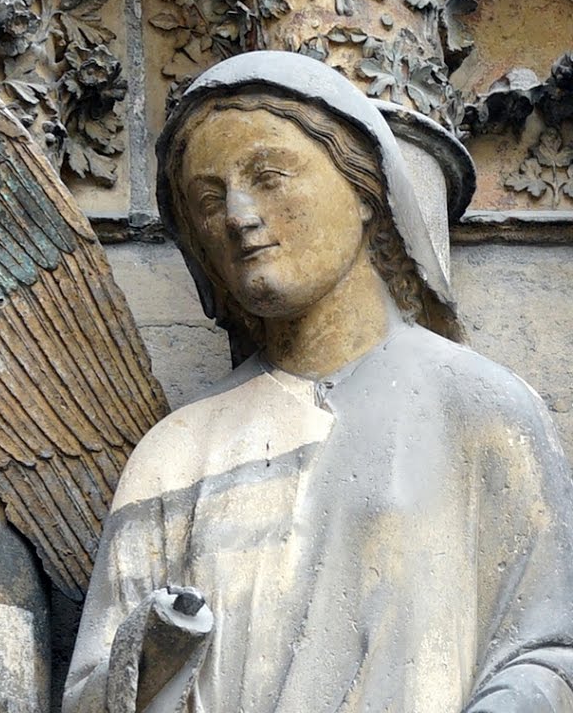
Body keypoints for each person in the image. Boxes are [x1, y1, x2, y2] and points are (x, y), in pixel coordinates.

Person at [64, 51, 573, 712]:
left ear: (364, 189)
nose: (241, 215)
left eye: (270, 175)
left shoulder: (480, 407)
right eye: (209, 199)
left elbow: (547, 652)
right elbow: (89, 696)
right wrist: (157, 641)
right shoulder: (176, 454)